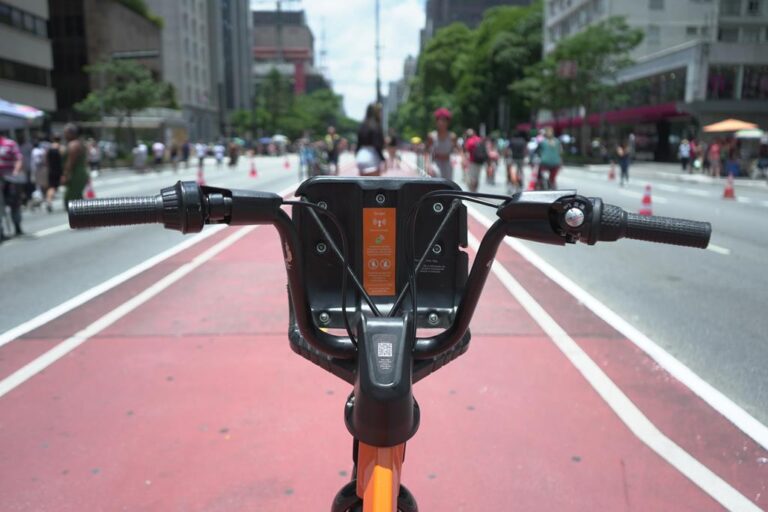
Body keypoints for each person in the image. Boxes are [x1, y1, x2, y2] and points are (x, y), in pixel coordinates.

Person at [0, 133, 24, 241]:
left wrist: (15, 171)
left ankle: (17, 225)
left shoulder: (10, 144)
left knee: (14, 203)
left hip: (10, 178)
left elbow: (19, 158)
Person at [426, 107, 458, 181]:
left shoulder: (452, 136)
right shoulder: (431, 136)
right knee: (436, 185)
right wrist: (428, 165)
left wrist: (462, 159)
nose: (441, 123)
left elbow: (457, 149)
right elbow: (427, 151)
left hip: (447, 165)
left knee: (447, 187)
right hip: (435, 164)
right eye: (439, 120)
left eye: (444, 120)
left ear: (448, 122)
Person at [62, 123, 88, 208]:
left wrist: (65, 175)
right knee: (77, 198)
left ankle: (82, 219)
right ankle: (85, 219)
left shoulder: (73, 144)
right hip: (80, 173)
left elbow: (70, 162)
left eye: (66, 133)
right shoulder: (79, 143)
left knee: (69, 200)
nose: (64, 135)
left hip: (76, 174)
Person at [355, 103, 385, 176]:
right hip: (372, 157)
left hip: (361, 156)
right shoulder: (376, 126)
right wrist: (383, 159)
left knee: (363, 185)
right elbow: (377, 145)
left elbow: (358, 144)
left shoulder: (362, 125)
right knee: (374, 186)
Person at [45, 136, 63, 213]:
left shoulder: (49, 149)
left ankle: (48, 201)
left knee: (51, 187)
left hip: (51, 170)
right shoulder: (60, 148)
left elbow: (46, 160)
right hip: (59, 171)